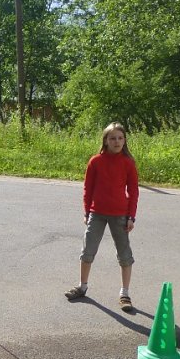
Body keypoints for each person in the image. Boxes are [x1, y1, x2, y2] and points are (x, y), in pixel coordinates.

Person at [65, 122, 139, 312]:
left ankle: (125, 293)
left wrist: (131, 216)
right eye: (112, 138)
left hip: (120, 215)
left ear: (125, 140)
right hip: (97, 213)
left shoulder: (128, 163)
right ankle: (82, 286)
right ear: (105, 141)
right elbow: (87, 189)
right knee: (87, 250)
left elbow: (133, 192)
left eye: (120, 138)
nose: (117, 141)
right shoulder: (95, 161)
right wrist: (87, 212)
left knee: (124, 255)